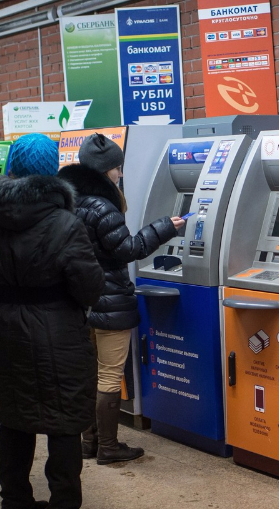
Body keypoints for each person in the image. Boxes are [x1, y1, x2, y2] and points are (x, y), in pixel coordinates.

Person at [0, 133, 104, 509]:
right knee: (63, 423)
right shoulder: (65, 222)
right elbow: (88, 286)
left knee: (14, 418)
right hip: (57, 329)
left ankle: (14, 504)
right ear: (52, 171)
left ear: (13, 166)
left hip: (4, 325)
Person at [57, 134, 184, 465]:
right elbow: (129, 249)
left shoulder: (69, 201)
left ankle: (89, 442)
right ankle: (109, 447)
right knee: (110, 375)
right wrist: (164, 228)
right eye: (117, 167)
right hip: (110, 299)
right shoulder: (103, 206)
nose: (121, 173)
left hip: (81, 301)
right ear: (104, 170)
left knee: (90, 373)